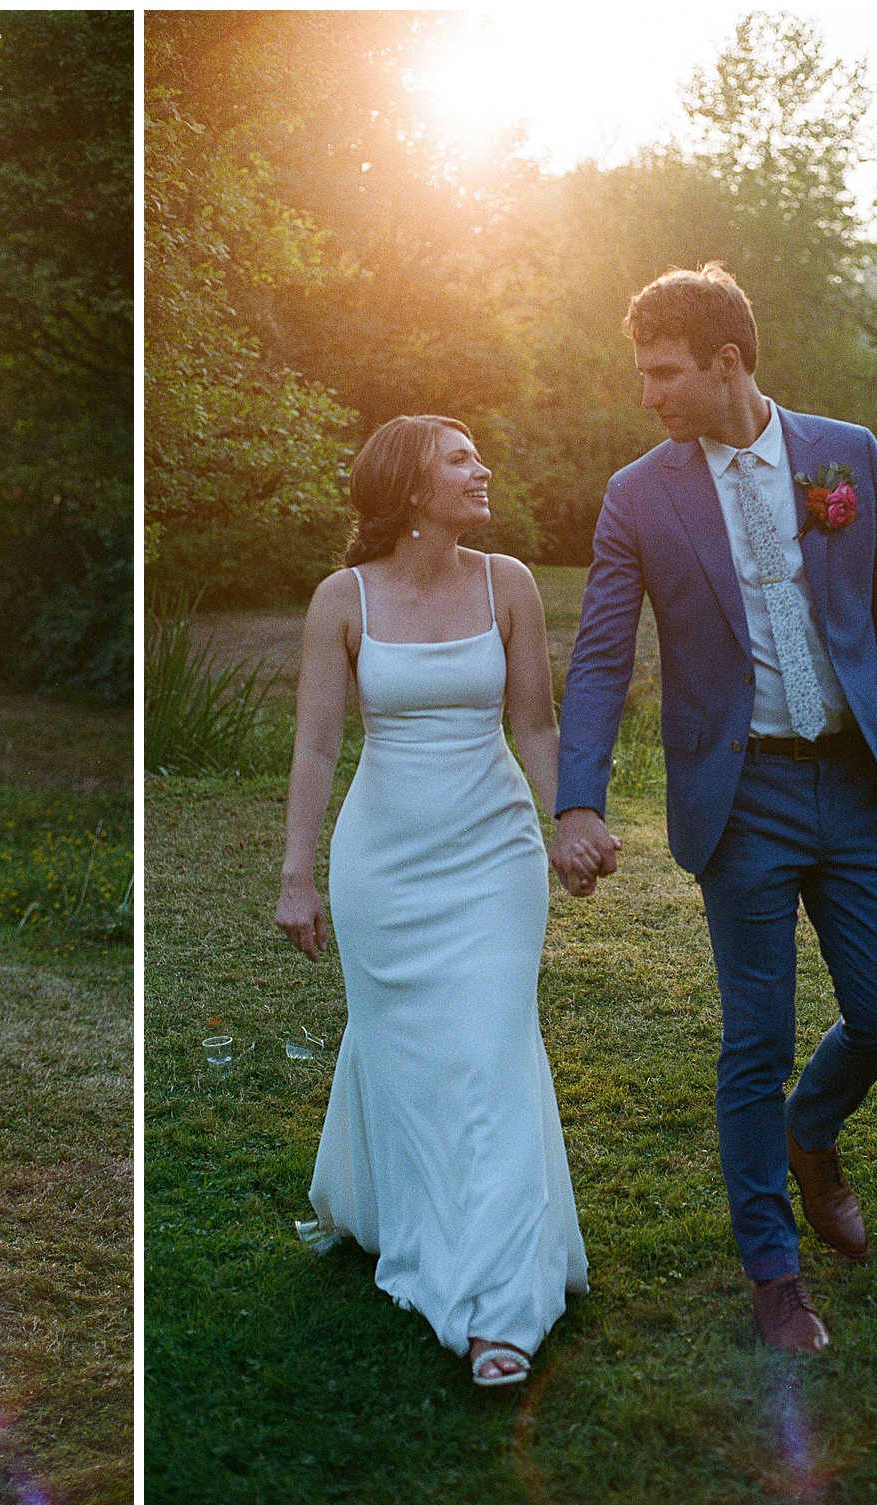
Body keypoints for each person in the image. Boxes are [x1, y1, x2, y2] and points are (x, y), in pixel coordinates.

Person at [551, 263, 877, 1355]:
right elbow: (601, 659)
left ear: (727, 363)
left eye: (664, 373)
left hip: (854, 781)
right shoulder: (639, 493)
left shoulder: (847, 456)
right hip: (737, 797)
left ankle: (811, 1131)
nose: (647, 394)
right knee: (757, 1034)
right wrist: (576, 801)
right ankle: (775, 1276)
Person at [276, 415, 591, 1387]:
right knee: (410, 1060)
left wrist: (571, 817)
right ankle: (402, 1216)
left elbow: (535, 722)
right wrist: (299, 872)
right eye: (460, 459)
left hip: (493, 855)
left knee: (491, 1054)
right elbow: (319, 745)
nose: (482, 467)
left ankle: (502, 1302)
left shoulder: (510, 584)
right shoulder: (343, 600)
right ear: (412, 487)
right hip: (387, 866)